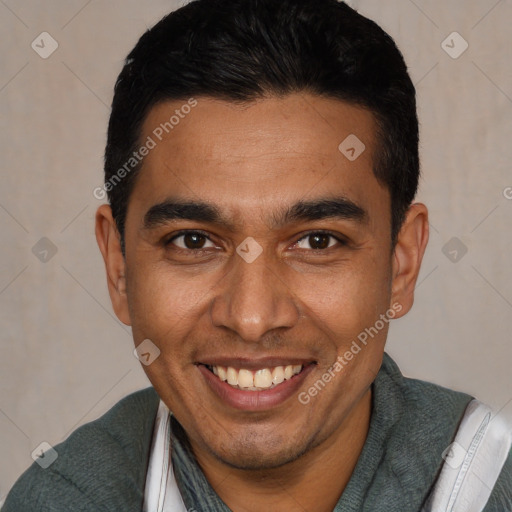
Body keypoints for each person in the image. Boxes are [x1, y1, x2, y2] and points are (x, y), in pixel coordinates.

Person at [3, 0, 511, 510]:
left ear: (401, 264)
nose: (251, 318)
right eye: (193, 241)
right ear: (119, 268)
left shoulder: (492, 482)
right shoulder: (59, 499)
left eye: (318, 241)